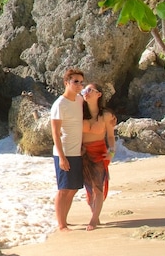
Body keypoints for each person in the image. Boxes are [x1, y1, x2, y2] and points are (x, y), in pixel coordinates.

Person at [50, 68, 86, 232]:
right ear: (66, 83)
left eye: (81, 82)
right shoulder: (59, 104)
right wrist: (62, 157)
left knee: (73, 189)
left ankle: (65, 219)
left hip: (76, 151)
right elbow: (55, 133)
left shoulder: (79, 100)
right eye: (75, 81)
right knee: (64, 189)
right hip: (63, 152)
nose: (79, 85)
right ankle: (61, 224)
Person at [80, 83, 117, 231]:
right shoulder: (79, 113)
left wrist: (111, 152)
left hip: (99, 152)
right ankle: (95, 214)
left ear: (99, 94)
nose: (86, 93)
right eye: (84, 90)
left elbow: (111, 137)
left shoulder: (106, 115)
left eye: (90, 90)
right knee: (88, 188)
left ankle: (94, 219)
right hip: (83, 153)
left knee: (98, 187)